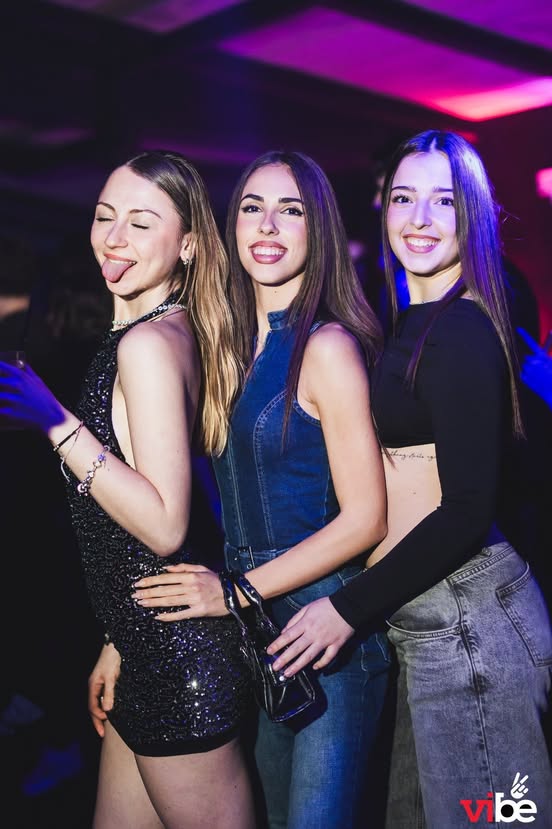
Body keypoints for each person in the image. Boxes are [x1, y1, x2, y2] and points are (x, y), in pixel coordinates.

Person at [90, 150, 391, 829]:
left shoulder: (326, 347)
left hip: (324, 635)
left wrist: (233, 593)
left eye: (291, 211)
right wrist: (122, 635)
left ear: (319, 230)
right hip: (250, 640)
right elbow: (185, 509)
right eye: (252, 207)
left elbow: (367, 518)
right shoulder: (221, 348)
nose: (268, 226)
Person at [266, 131, 552, 827]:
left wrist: (345, 608)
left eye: (443, 201)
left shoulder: (462, 329)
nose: (419, 218)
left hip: (470, 623)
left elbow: (467, 508)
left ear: (473, 214)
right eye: (403, 197)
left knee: (491, 819)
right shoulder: (414, 319)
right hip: (430, 623)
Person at [0, 150, 256, 829]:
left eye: (140, 223)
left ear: (189, 245)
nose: (113, 238)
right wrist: (118, 638)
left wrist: (55, 422)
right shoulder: (156, 332)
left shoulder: (147, 345)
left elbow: (166, 525)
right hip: (145, 647)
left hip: (178, 663)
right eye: (104, 216)